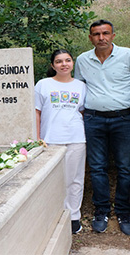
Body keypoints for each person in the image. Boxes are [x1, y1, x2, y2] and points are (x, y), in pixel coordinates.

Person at [74, 19, 130, 235]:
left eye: (105, 33)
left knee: (125, 167)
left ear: (113, 35)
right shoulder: (82, 60)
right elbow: (80, 88)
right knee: (97, 167)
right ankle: (101, 210)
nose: (101, 38)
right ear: (90, 38)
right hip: (93, 119)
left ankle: (124, 211)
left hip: (124, 119)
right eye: (96, 34)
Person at [34, 49, 87, 234]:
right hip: (50, 140)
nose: (64, 64)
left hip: (76, 138)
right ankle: (53, 214)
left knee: (75, 179)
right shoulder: (43, 84)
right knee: (52, 180)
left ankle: (73, 216)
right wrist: (37, 137)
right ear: (52, 65)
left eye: (67, 60)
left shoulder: (81, 86)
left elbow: (81, 111)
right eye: (59, 61)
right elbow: (36, 112)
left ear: (73, 63)